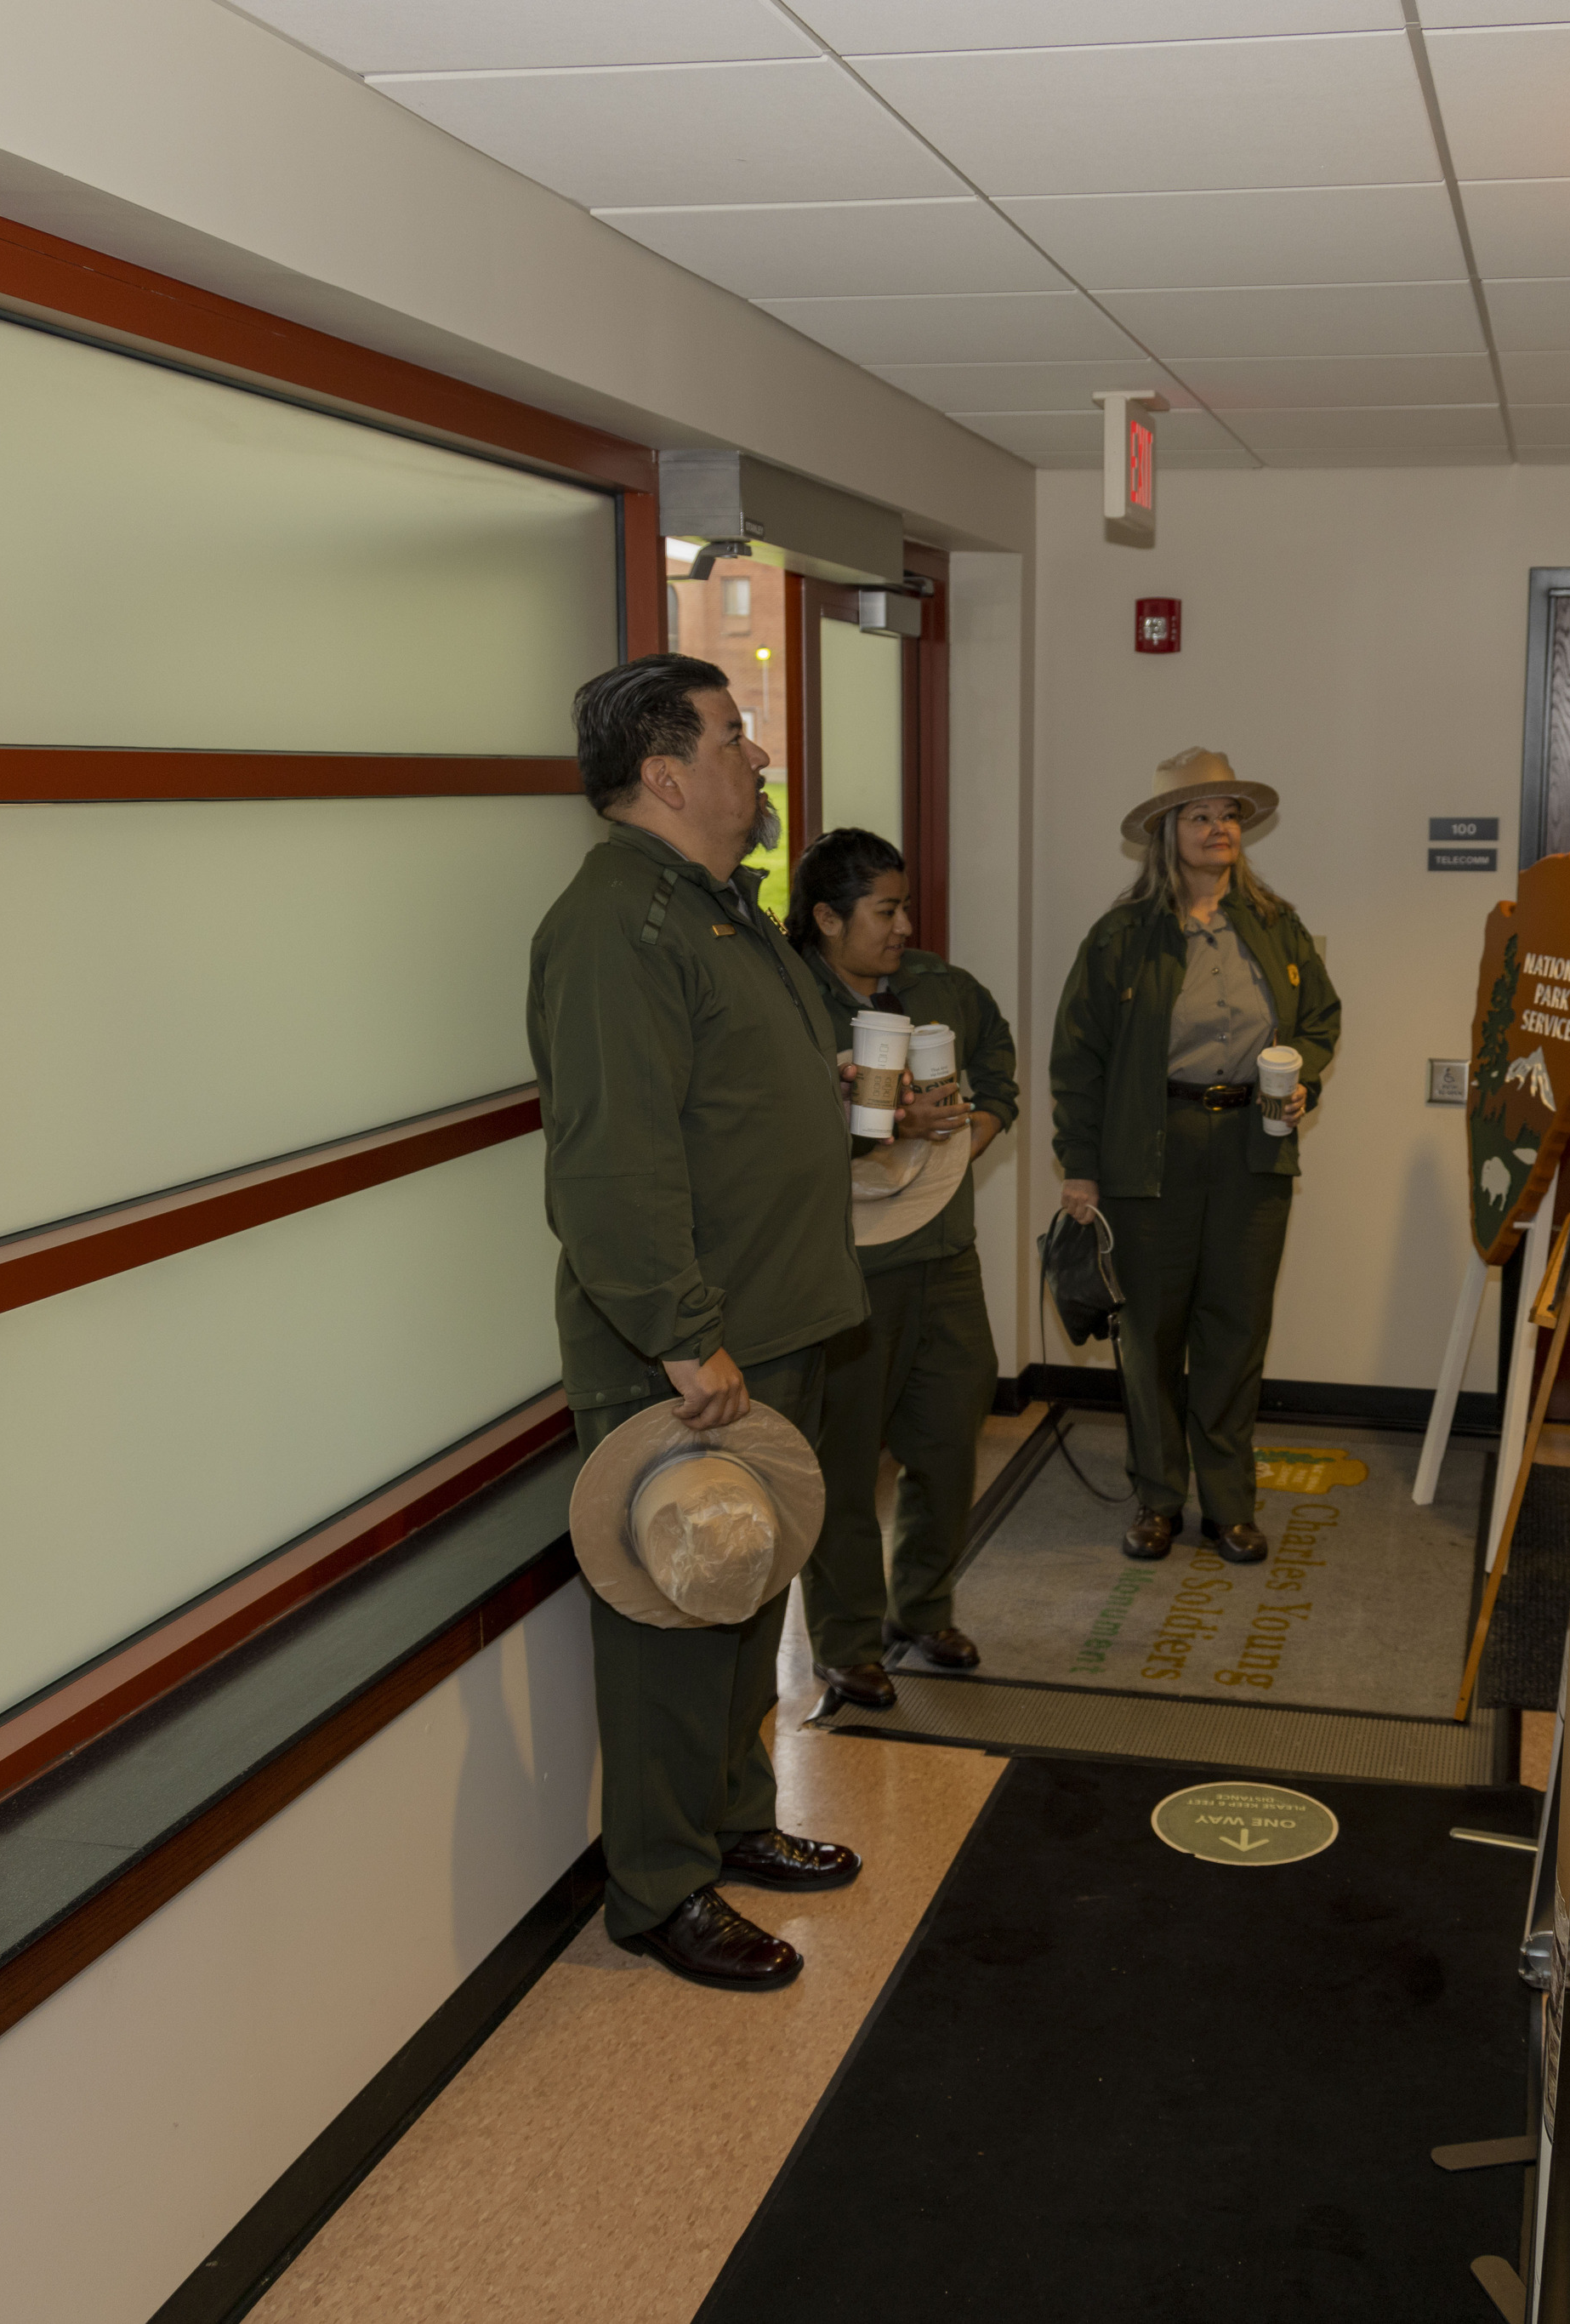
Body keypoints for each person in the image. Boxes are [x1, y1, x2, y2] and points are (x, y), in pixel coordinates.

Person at [527, 652, 870, 1991]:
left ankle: (734, 1820)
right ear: (665, 773)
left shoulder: (712, 905)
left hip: (772, 1320)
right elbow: (609, 1162)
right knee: (678, 1614)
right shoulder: (621, 921)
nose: (761, 758)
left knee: (747, 1588)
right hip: (690, 1351)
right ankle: (660, 1885)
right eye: (736, 737)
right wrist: (681, 1337)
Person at [1049, 748, 1340, 1564]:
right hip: (1150, 1150)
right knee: (1149, 1336)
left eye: (1231, 815)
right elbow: (1078, 1061)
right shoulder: (1121, 937)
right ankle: (1156, 1501)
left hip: (1255, 1146)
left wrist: (1303, 1078)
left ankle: (1230, 1506)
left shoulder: (1275, 924)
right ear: (1167, 833)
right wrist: (1079, 1164)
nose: (1221, 829)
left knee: (1237, 1330)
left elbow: (1319, 1020)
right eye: (1201, 816)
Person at [787, 826, 1018, 1708]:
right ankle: (845, 1640)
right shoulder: (785, 1001)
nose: (901, 924)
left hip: (944, 1257)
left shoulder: (941, 988)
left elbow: (999, 1074)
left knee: (947, 1445)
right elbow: (760, 1127)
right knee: (842, 1464)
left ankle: (921, 1607)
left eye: (903, 905)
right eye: (883, 909)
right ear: (825, 917)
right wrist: (875, 1128)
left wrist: (962, 1139)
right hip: (842, 1269)